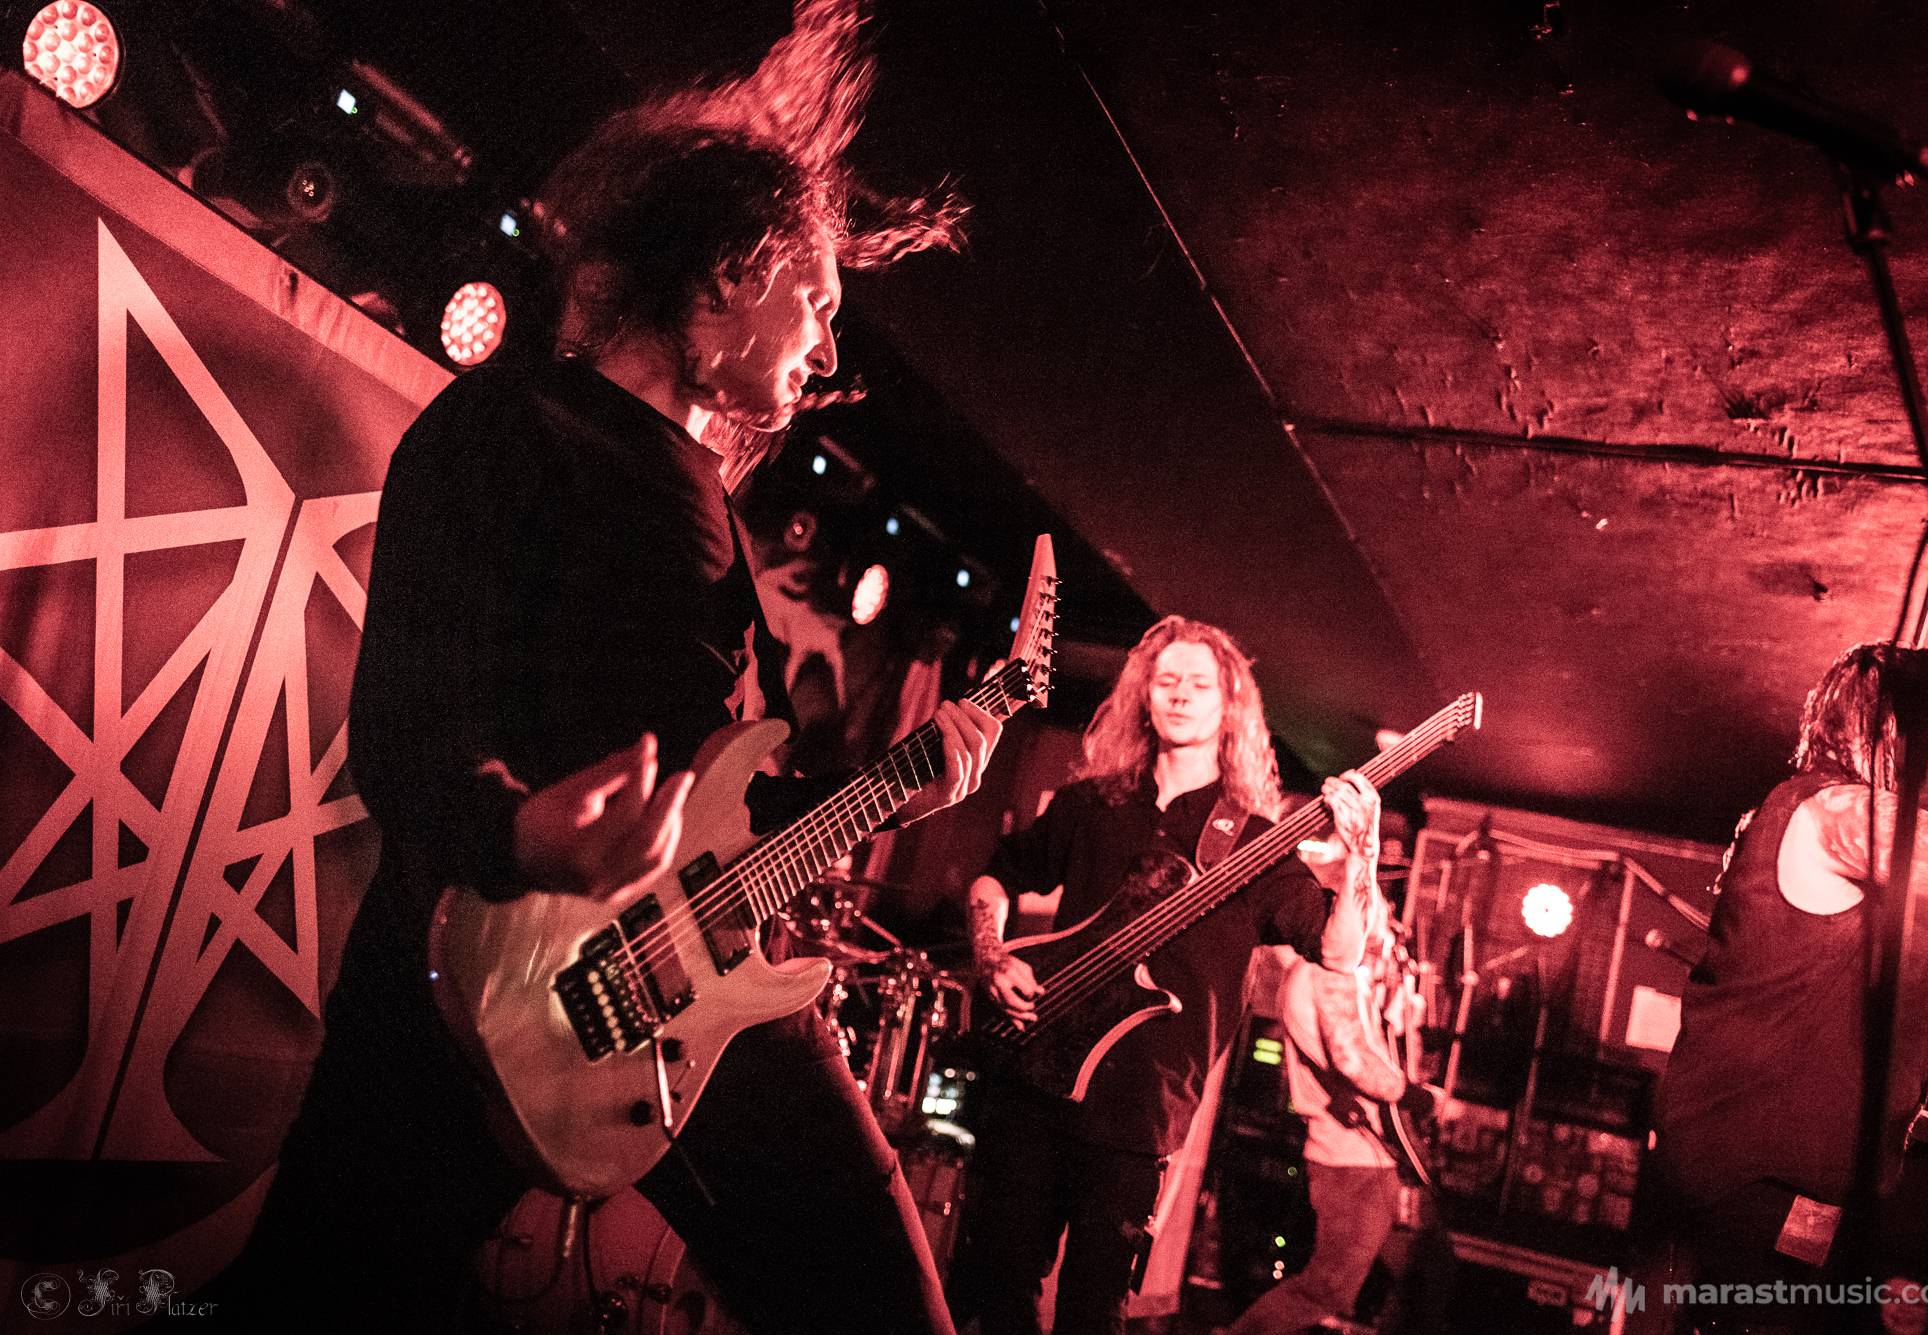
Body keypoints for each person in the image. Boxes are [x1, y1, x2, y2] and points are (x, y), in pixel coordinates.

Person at [223, 31, 1001, 1334]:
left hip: (696, 993)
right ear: (735, 269)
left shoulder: (712, 507)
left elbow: (718, 796)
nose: (823, 352)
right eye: (815, 303)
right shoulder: (510, 426)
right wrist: (525, 832)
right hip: (471, 977)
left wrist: (896, 787)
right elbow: (409, 719)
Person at [948, 615, 1381, 1335]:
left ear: (1229, 704)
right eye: (1166, 680)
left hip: (1138, 1109)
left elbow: (1339, 952)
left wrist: (1362, 853)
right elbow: (996, 878)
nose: (1180, 695)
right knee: (993, 1286)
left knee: (1092, 1313)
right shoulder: (1092, 804)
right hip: (1031, 1073)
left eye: (1199, 684)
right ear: (1143, 696)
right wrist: (992, 956)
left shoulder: (1256, 844)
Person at [1652, 641, 1928, 1333]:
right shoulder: (1825, 812)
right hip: (1762, 1202)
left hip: (1824, 1201)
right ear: (1896, 724)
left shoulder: (1898, 872)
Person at [1223, 884, 1443, 1335]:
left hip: (1364, 1157)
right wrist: (1415, 1096)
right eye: (1374, 916)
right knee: (1329, 1288)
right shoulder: (1324, 976)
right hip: (1350, 1161)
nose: (1381, 927)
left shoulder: (1337, 977)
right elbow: (1352, 1060)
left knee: (1411, 1277)